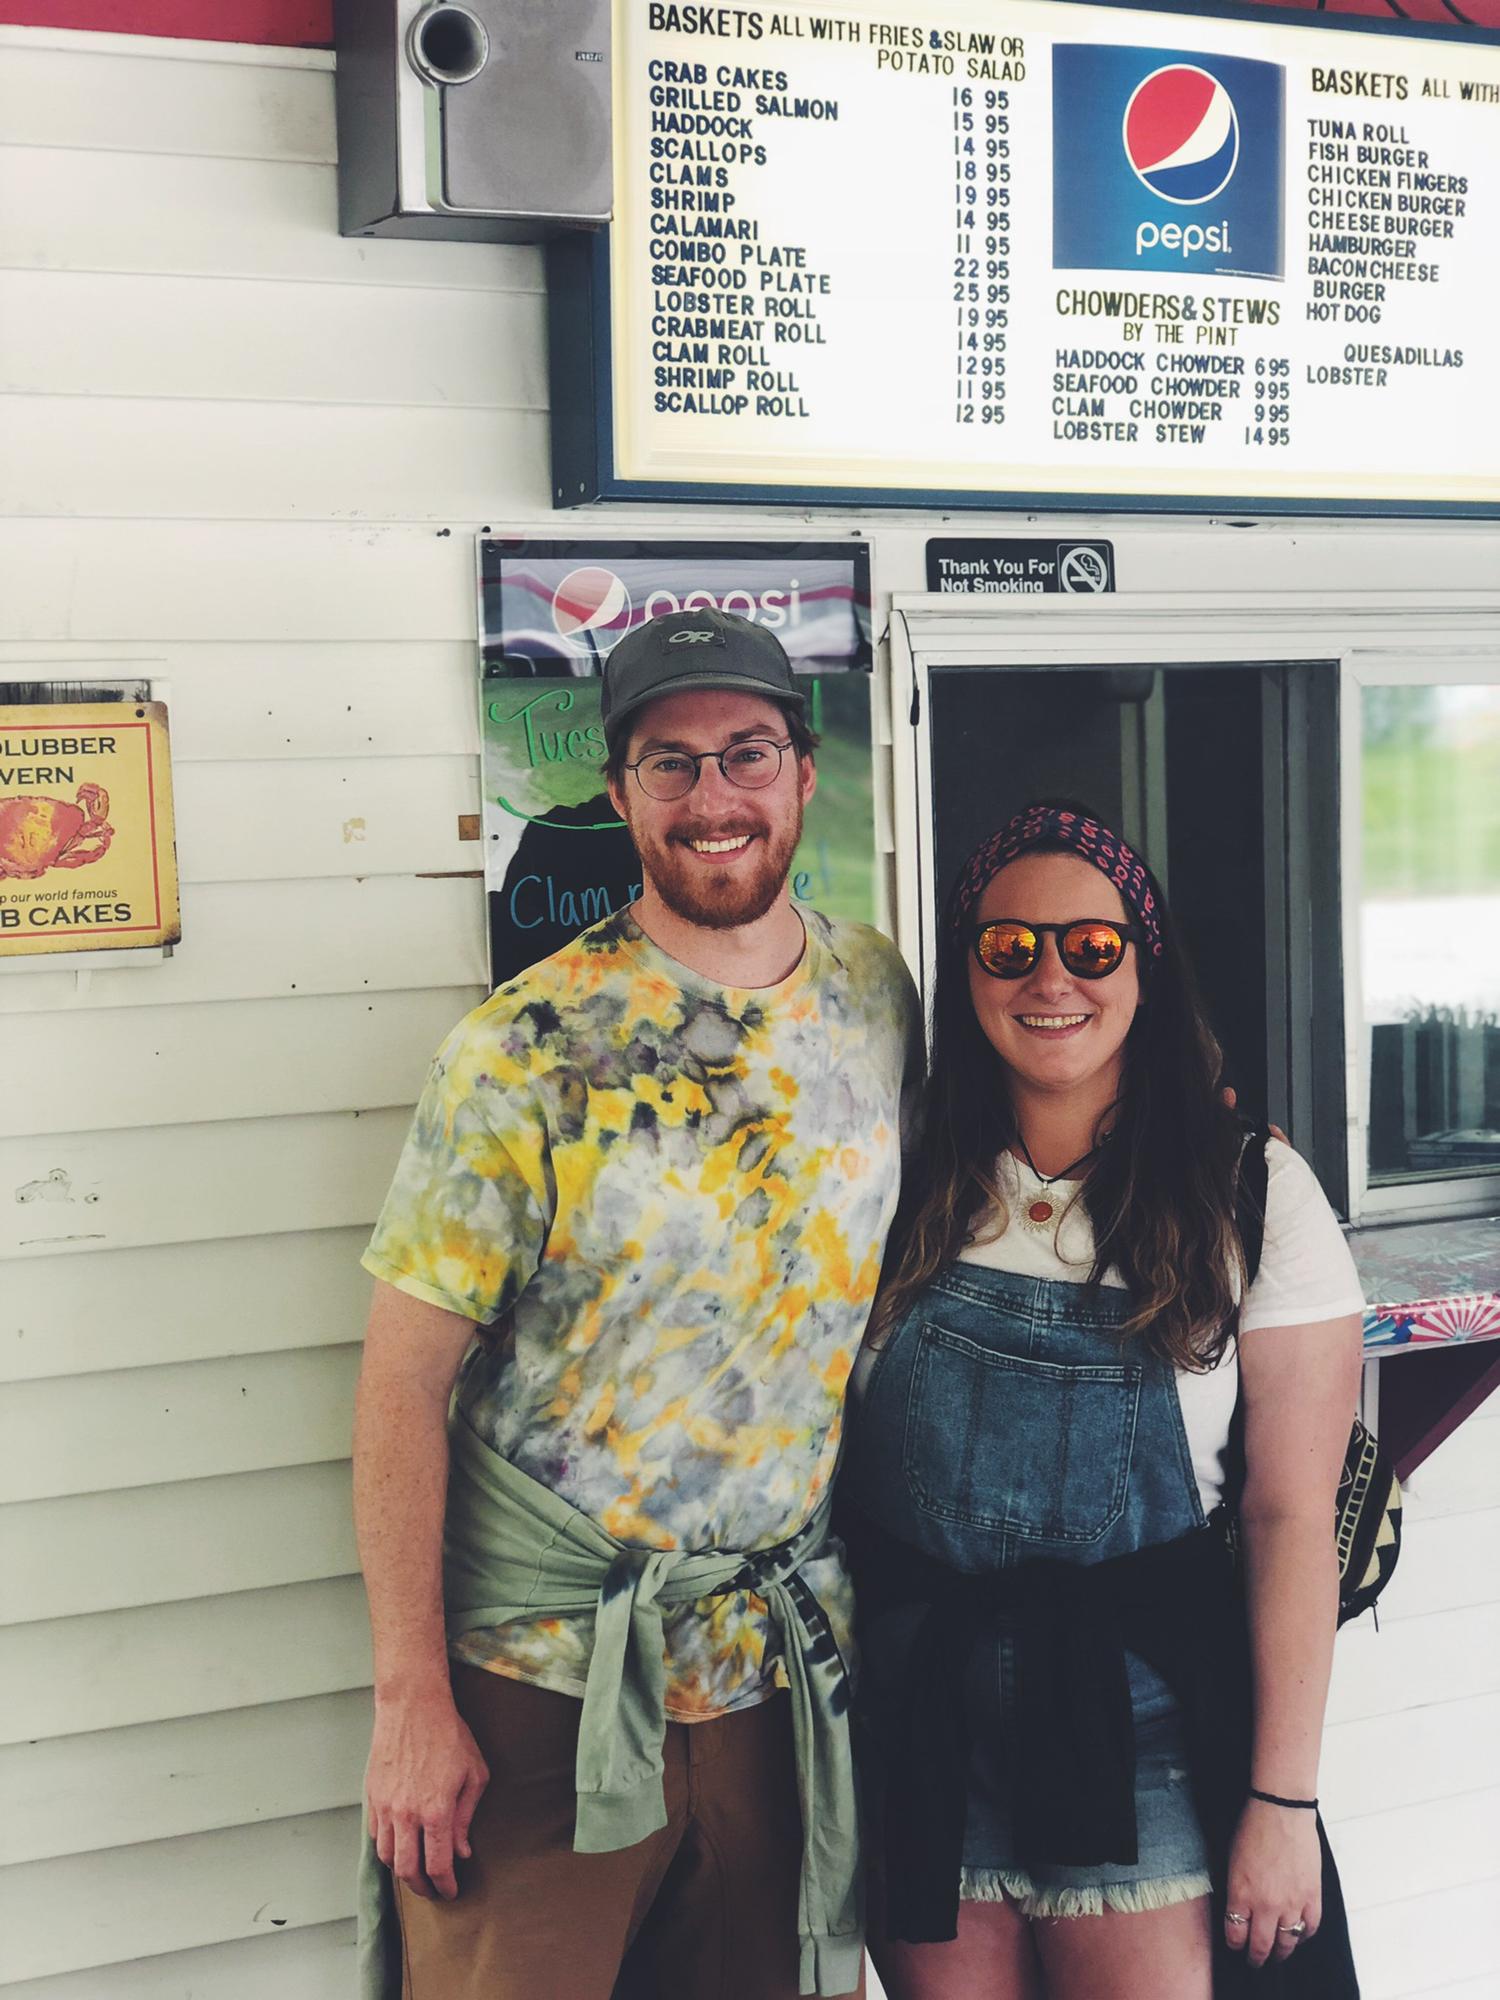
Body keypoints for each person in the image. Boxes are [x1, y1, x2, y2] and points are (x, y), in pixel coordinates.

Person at [352, 606, 921, 2000]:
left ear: (803, 770)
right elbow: (398, 1385)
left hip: (773, 1673)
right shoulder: (524, 1047)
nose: (713, 798)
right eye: (670, 764)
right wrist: (412, 1700)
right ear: (618, 794)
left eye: (747, 753)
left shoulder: (877, 994)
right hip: (544, 1682)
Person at [836, 801, 1365, 2000]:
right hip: (922, 1725)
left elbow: (1292, 1518)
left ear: (1145, 961)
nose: (1051, 978)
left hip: (1152, 1736)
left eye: (1092, 944)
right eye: (1010, 946)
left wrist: (1284, 1798)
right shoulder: (894, 1171)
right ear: (967, 967)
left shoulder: (1255, 1192)